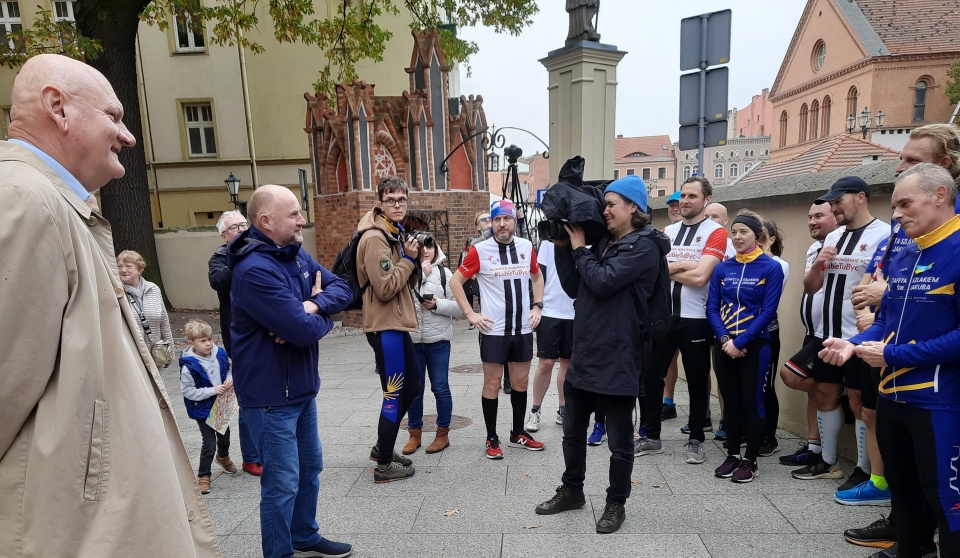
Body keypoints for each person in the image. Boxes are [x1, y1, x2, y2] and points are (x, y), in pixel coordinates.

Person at [0, 53, 219, 557]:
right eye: (113, 117)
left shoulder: (53, 203)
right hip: (73, 533)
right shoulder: (26, 200)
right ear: (58, 108)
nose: (129, 136)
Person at [819, 163, 959, 558]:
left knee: (946, 500)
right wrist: (853, 343)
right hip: (892, 397)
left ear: (939, 196)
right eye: (894, 206)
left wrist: (893, 354)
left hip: (939, 401)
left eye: (904, 204)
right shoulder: (905, 253)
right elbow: (885, 321)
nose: (895, 214)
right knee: (903, 493)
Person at [535, 174, 669, 533]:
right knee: (573, 432)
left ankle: (615, 503)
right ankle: (573, 491)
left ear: (633, 208)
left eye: (612, 204)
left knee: (621, 441)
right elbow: (576, 285)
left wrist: (580, 248)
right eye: (605, 203)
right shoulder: (604, 243)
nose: (604, 210)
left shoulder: (645, 246)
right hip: (587, 352)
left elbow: (604, 281)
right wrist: (565, 244)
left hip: (620, 355)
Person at [228, 184, 353, 558]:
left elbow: (344, 290)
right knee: (281, 484)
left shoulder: (296, 256)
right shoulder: (254, 270)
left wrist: (312, 307)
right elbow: (300, 332)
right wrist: (312, 319)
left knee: (309, 469)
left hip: (299, 388)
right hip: (269, 398)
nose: (303, 220)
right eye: (294, 214)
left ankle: (303, 534)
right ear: (265, 221)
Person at [787, 176, 887, 482]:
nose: (833, 207)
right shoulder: (833, 237)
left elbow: (885, 285)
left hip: (857, 337)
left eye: (837, 201)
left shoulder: (884, 234)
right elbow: (810, 287)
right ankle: (827, 460)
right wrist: (819, 264)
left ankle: (863, 469)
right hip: (825, 334)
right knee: (825, 394)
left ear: (860, 197)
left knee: (859, 404)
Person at [639, 176, 727, 465]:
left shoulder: (716, 232)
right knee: (650, 376)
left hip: (696, 318)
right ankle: (651, 436)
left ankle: (696, 440)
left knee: (698, 380)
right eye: (683, 196)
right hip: (663, 317)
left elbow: (703, 277)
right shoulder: (667, 231)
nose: (685, 202)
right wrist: (685, 264)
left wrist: (668, 268)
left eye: (692, 196)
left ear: (706, 199)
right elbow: (650, 271)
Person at [451, 199, 546, 459]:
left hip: (522, 329)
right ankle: (492, 438)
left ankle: (518, 433)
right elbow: (456, 281)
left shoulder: (527, 247)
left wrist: (537, 306)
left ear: (514, 221)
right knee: (492, 383)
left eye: (507, 219)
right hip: (494, 331)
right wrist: (471, 314)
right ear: (491, 223)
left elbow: (537, 275)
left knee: (520, 382)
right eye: (497, 219)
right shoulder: (479, 250)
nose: (502, 224)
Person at [707, 209, 784, 483]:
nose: (737, 237)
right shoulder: (722, 267)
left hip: (756, 345)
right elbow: (712, 307)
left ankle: (750, 460)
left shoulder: (770, 267)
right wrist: (726, 340)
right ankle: (732, 455)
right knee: (730, 403)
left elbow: (768, 311)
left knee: (753, 403)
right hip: (725, 345)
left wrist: (741, 341)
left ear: (757, 236)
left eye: (744, 232)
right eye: (735, 232)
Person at [357, 175, 422, 482]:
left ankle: (382, 446)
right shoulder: (374, 238)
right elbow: (384, 288)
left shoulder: (392, 234)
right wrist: (409, 260)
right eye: (391, 200)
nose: (398, 205)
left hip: (394, 325)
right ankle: (383, 465)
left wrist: (409, 259)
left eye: (402, 200)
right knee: (394, 393)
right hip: (385, 327)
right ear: (380, 203)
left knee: (412, 387)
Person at [778, 202, 838, 469]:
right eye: (810, 216)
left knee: (790, 374)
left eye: (819, 216)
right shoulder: (815, 247)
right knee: (815, 393)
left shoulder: (846, 245)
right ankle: (815, 446)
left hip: (830, 334)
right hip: (812, 330)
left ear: (836, 216)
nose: (812, 221)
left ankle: (835, 401)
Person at [208, 210, 262, 476]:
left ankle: (264, 451)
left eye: (244, 224)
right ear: (223, 235)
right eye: (234, 227)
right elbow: (218, 281)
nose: (241, 229)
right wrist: (238, 259)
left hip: (265, 332)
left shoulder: (261, 250)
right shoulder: (220, 257)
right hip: (239, 338)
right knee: (247, 396)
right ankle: (250, 457)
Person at [404, 237, 463, 455]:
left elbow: (459, 307)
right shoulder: (405, 272)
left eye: (429, 246)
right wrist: (416, 275)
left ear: (435, 248)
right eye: (420, 247)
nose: (425, 251)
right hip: (412, 341)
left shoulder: (445, 274)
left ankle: (442, 434)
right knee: (414, 390)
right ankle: (414, 434)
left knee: (440, 387)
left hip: (438, 342)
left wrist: (437, 304)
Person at [180, 319, 236, 494]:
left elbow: (229, 368)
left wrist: (229, 377)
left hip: (221, 404)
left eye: (210, 339)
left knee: (225, 435)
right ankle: (204, 475)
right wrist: (212, 390)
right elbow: (188, 391)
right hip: (202, 407)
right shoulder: (189, 365)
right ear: (192, 343)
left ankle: (223, 456)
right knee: (209, 442)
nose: (208, 344)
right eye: (202, 341)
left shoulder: (219, 354)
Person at [525, 238, 575, 432]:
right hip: (550, 311)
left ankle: (563, 409)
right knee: (546, 363)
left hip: (574, 312)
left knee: (567, 363)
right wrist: (536, 306)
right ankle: (535, 410)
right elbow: (539, 276)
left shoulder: (585, 240)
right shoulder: (548, 242)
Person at [759, 220, 789, 456]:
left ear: (772, 240)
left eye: (761, 237)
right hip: (740, 331)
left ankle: (769, 437)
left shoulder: (779, 264)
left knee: (766, 386)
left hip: (767, 331)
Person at [117, 249, 173, 358]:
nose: (123, 270)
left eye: (128, 266)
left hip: (155, 354)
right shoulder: (116, 292)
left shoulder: (153, 289)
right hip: (129, 356)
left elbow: (164, 322)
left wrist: (169, 351)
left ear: (139, 269)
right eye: (119, 267)